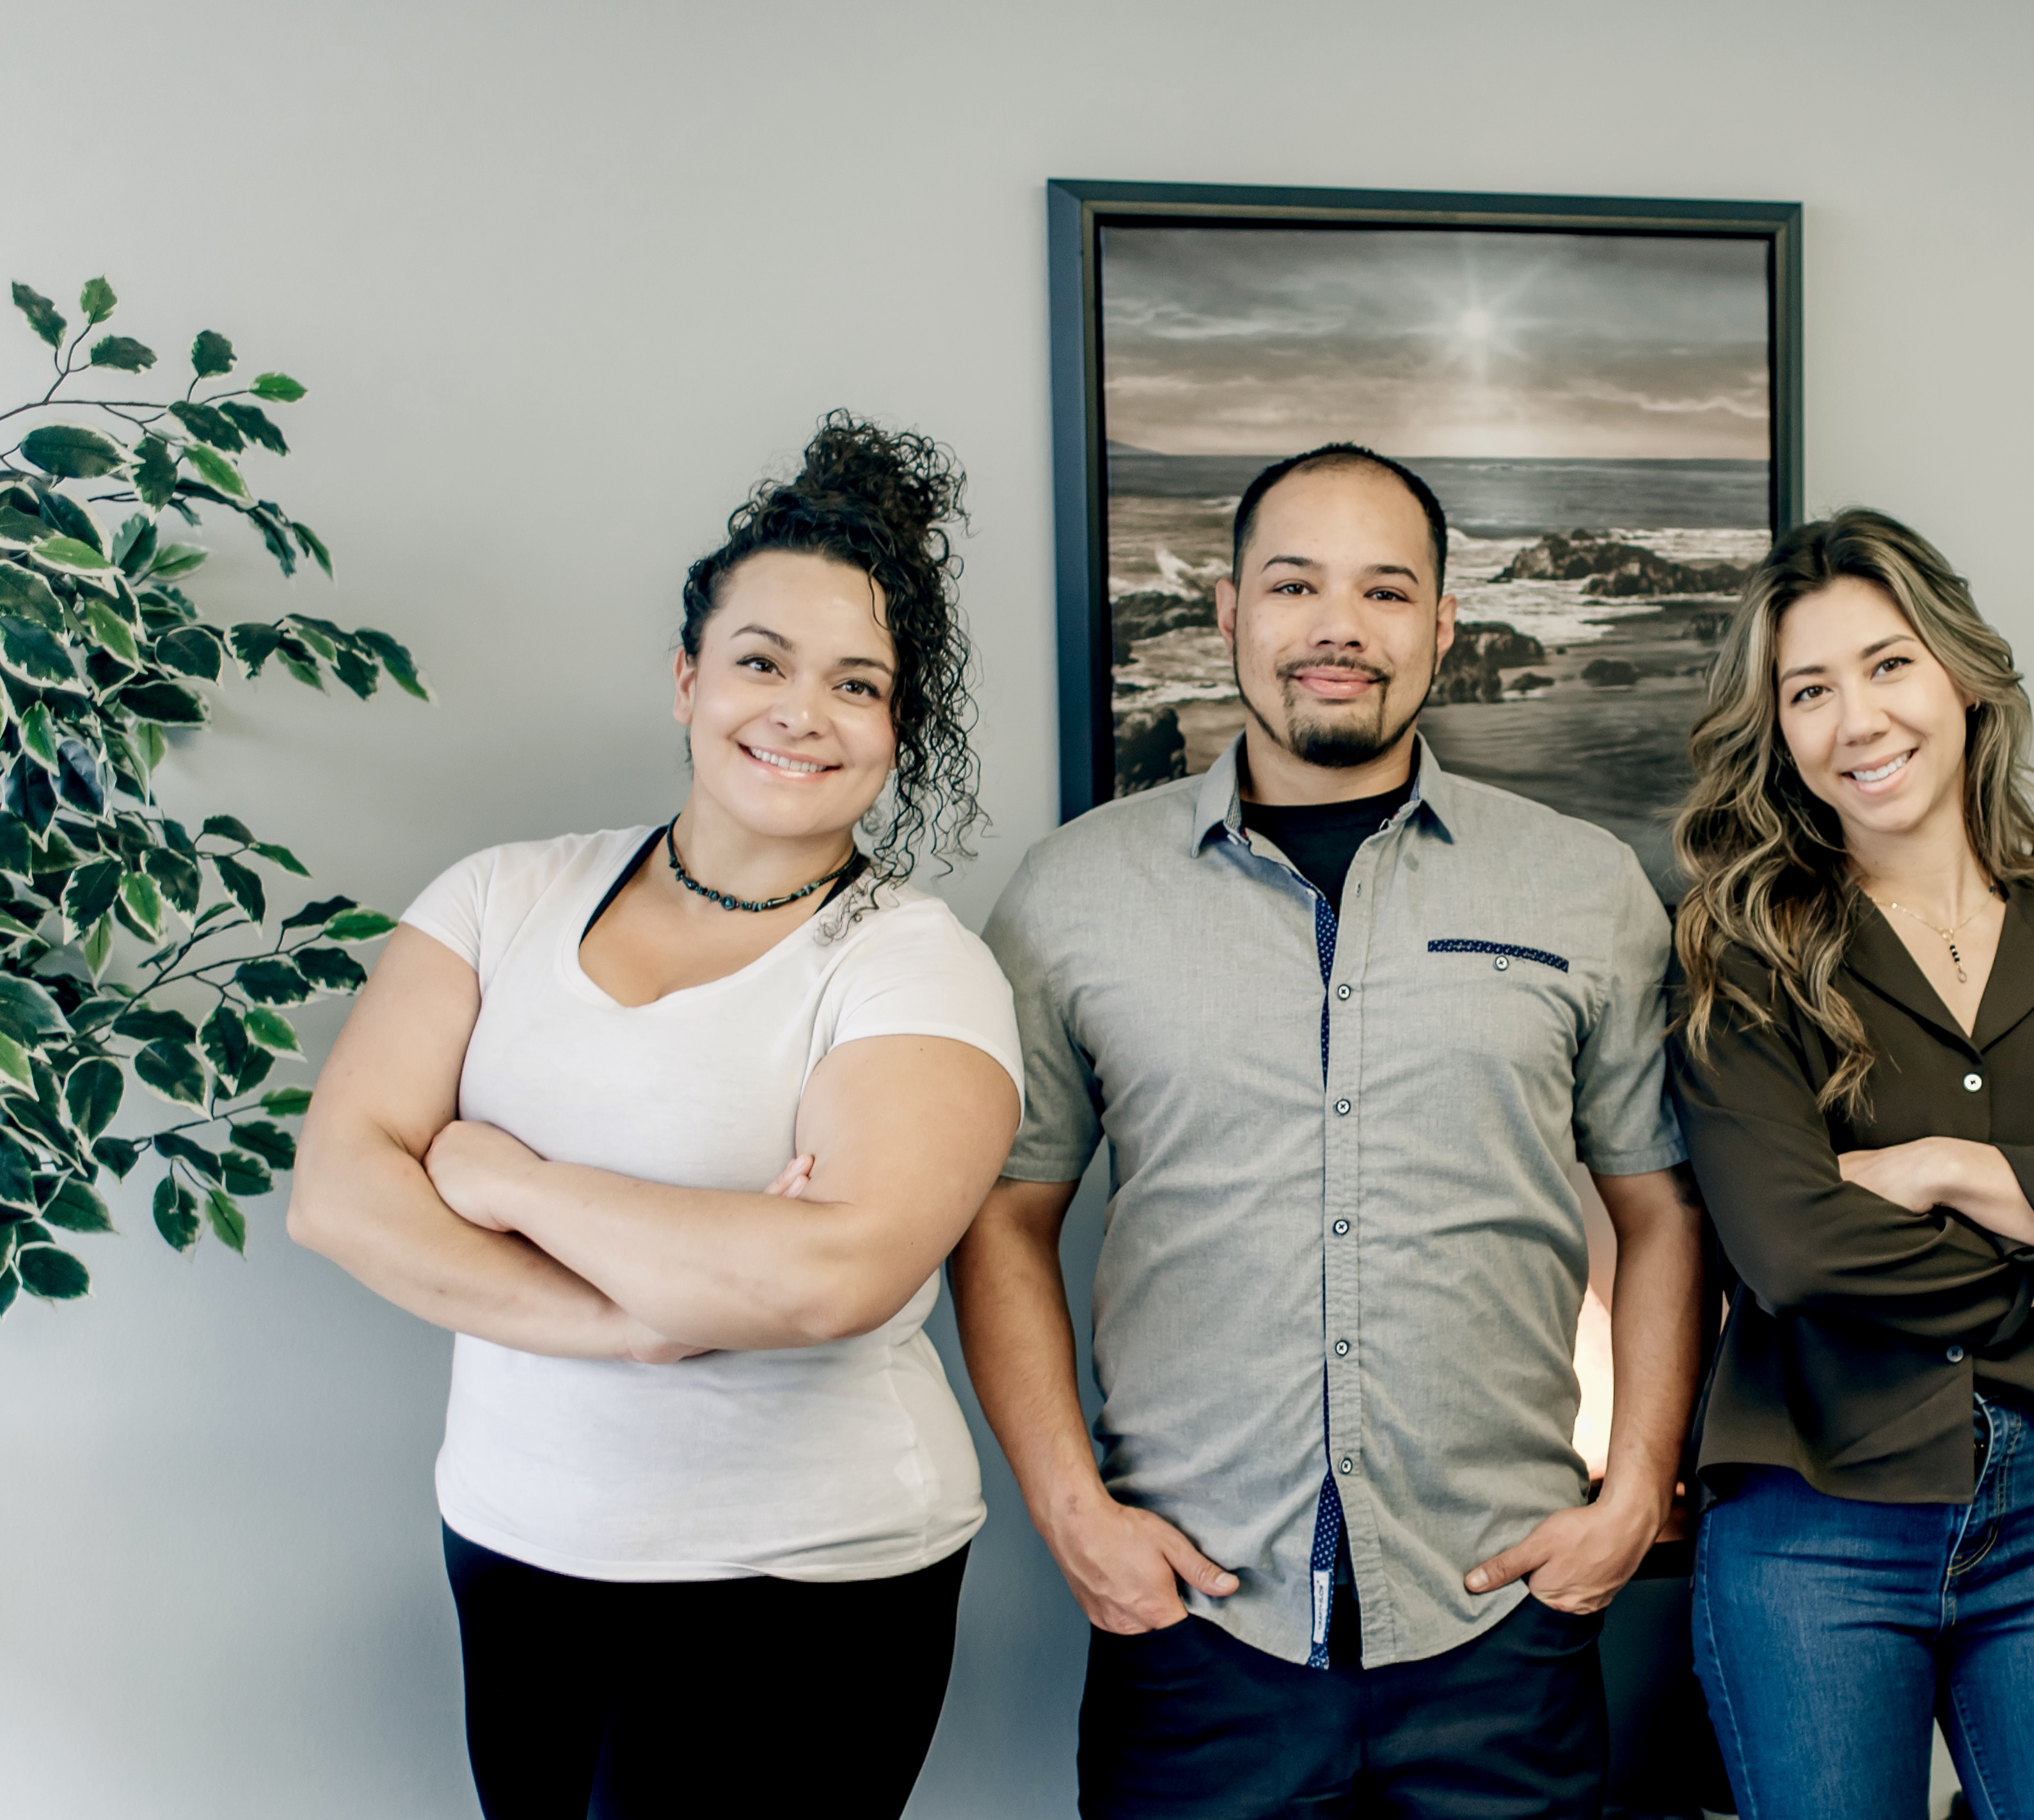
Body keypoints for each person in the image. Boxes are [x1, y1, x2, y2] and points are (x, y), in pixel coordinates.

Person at [287, 415, 1023, 1820]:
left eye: (856, 684)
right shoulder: (498, 898)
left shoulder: (914, 963)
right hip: (513, 1535)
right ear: (688, 681)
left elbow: (830, 1279)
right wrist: (639, 1317)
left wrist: (502, 1179)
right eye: (760, 661)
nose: (800, 711)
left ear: (895, 729)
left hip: (800, 1576)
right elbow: (338, 1193)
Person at [957, 442, 1705, 1819]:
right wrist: (1073, 1513)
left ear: (1443, 627)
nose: (1338, 629)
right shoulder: (1073, 895)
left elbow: (1663, 1211)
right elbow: (1007, 1216)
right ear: (1228, 612)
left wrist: (1635, 1495)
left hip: (1504, 1629)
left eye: (1384, 590)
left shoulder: (1582, 888)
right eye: (1295, 585)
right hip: (1191, 1631)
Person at [1665, 509, 2034, 1820]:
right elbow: (1797, 1254)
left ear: (1961, 677)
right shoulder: (1743, 960)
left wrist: (1938, 1165)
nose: (1855, 721)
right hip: (1810, 1530)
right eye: (1807, 692)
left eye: (1887, 666)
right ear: (1780, 736)